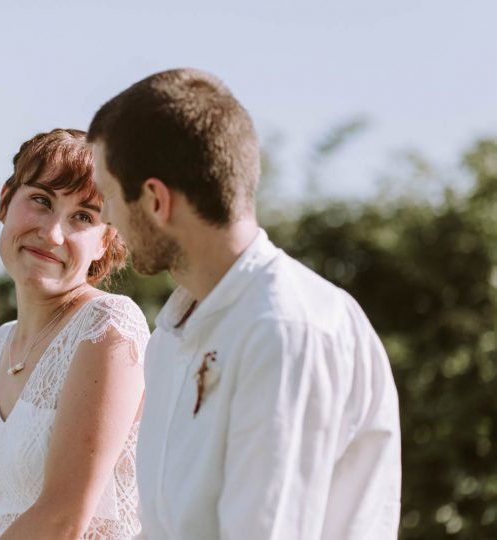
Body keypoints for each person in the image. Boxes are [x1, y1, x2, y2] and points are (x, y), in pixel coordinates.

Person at [87, 69, 401, 539]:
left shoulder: (287, 329)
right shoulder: (168, 342)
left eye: (107, 195)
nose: (106, 218)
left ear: (155, 200)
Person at [0, 128, 149, 540]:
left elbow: (62, 520)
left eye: (83, 218)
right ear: (5, 201)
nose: (53, 234)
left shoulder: (107, 326)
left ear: (104, 242)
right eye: (41, 201)